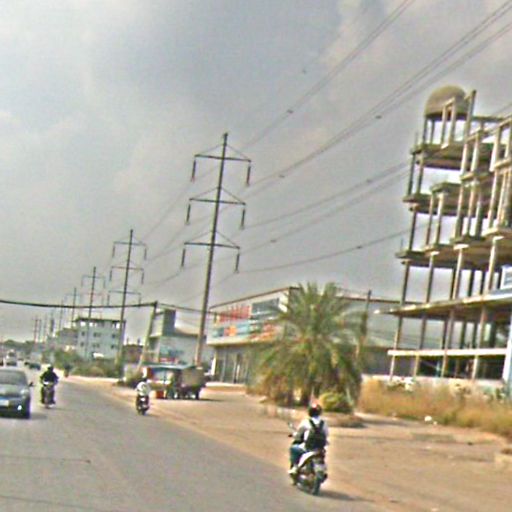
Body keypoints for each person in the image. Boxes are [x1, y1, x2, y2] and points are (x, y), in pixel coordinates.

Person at [289, 403, 329, 475]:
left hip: (308, 447)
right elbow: (326, 434)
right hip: (320, 448)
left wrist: (294, 435)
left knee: (294, 448)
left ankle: (295, 467)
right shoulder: (323, 423)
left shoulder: (306, 422)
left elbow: (299, 433)